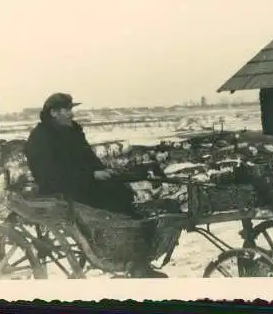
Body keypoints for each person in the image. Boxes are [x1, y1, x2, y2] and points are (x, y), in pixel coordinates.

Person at [24, 93, 168, 278]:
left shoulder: (72, 130)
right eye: (67, 110)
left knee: (120, 191)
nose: (71, 114)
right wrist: (91, 175)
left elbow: (88, 157)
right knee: (111, 198)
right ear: (54, 112)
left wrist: (104, 171)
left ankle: (134, 251)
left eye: (71, 109)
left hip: (81, 181)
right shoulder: (40, 138)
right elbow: (51, 174)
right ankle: (122, 250)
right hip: (60, 187)